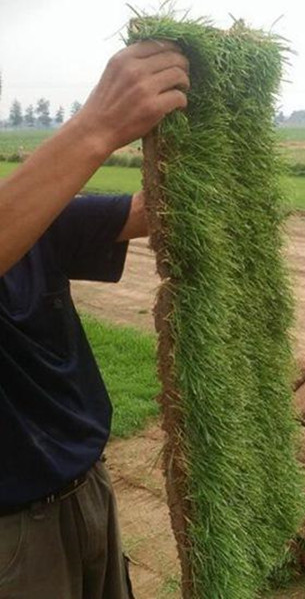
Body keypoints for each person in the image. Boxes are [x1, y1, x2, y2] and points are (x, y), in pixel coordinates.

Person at [0, 40, 190, 599]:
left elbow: (143, 213)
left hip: (87, 491)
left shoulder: (21, 212)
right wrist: (97, 127)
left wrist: (213, 142)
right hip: (10, 536)